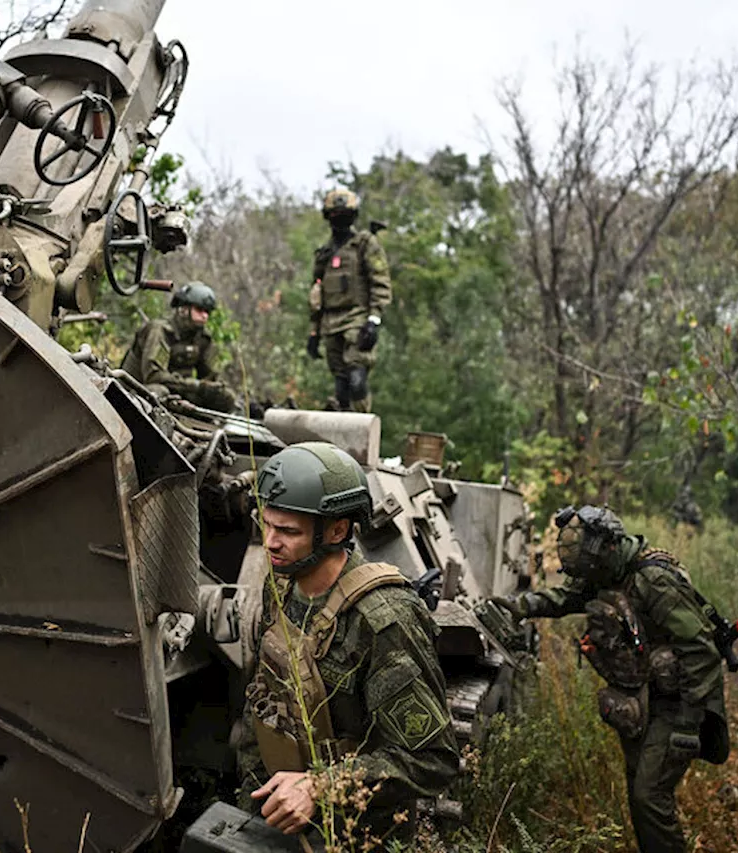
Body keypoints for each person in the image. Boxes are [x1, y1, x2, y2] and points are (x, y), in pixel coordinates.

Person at [235, 442, 460, 840]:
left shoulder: (383, 620)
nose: (269, 542)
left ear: (337, 530)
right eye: (265, 525)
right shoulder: (283, 585)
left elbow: (432, 760)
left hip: (356, 831)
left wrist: (320, 787)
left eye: (287, 531)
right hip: (276, 812)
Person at [493, 505, 729, 853]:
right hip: (643, 696)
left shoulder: (653, 580)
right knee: (640, 792)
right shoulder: (607, 569)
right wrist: (521, 606)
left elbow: (701, 651)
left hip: (679, 701)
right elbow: (567, 597)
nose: (588, 576)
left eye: (591, 568)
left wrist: (689, 725)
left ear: (610, 548)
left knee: (649, 796)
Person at [306, 189, 393, 413]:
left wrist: (374, 319)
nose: (339, 220)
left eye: (344, 214)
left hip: (358, 318)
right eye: (335, 215)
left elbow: (380, 282)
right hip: (330, 322)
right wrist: (313, 332)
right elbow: (316, 294)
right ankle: (343, 437)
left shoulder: (365, 244)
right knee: (341, 386)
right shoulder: (324, 253)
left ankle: (363, 431)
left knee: (357, 379)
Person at [121, 280, 236, 411]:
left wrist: (214, 388)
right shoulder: (159, 331)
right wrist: (197, 386)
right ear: (183, 310)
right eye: (199, 310)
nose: (205, 316)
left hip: (177, 391)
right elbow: (155, 377)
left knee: (226, 397)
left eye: (207, 311)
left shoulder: (202, 338)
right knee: (159, 391)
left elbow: (211, 377)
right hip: (139, 390)